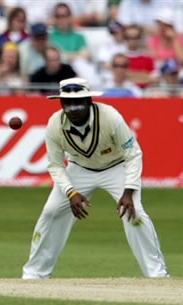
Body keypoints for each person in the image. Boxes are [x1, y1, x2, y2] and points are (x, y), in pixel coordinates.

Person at [22, 77, 169, 279]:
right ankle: (34, 275)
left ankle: (157, 275)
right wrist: (71, 192)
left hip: (116, 167)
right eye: (68, 103)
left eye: (79, 102)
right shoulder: (55, 124)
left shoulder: (110, 117)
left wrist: (129, 191)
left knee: (135, 214)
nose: (73, 109)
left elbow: (133, 154)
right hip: (79, 169)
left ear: (89, 101)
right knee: (51, 212)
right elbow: (55, 165)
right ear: (61, 103)